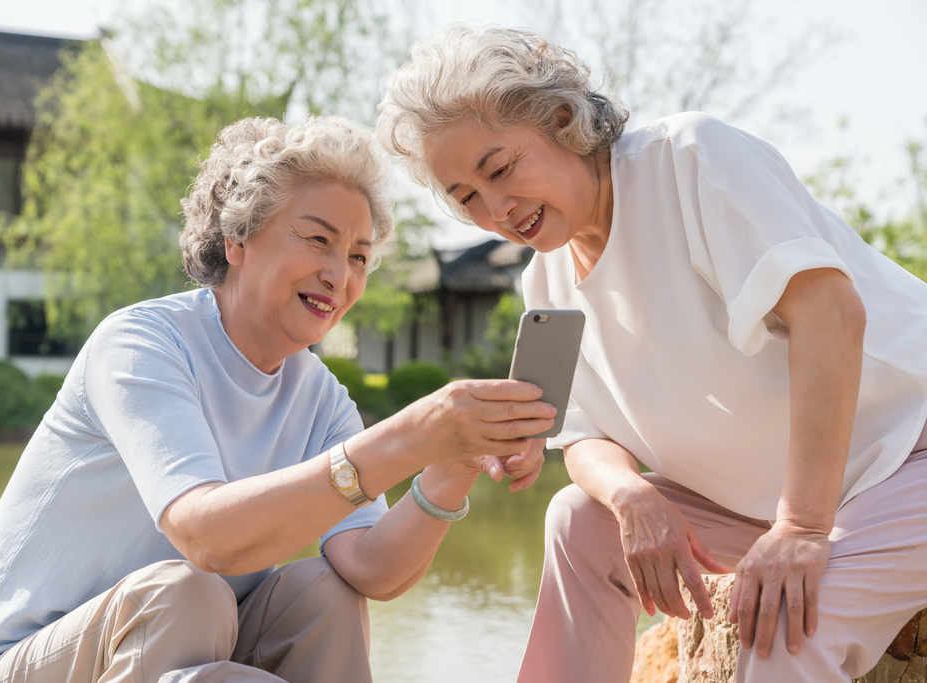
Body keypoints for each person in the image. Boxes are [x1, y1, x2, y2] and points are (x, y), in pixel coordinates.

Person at [377, 24, 927, 682]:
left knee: (782, 627)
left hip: (904, 458)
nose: (495, 208)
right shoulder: (546, 279)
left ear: (560, 119)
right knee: (580, 520)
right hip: (768, 503)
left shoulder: (690, 158)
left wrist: (803, 527)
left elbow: (831, 313)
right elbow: (580, 437)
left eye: (500, 169)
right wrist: (632, 493)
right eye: (465, 196)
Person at [0, 115, 557, 683]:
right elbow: (207, 537)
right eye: (317, 239)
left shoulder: (319, 395)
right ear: (238, 239)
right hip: (6, 665)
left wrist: (449, 467)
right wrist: (406, 435)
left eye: (359, 256)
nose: (339, 275)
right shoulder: (141, 345)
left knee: (326, 593)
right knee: (189, 591)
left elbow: (371, 568)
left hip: (182, 647)